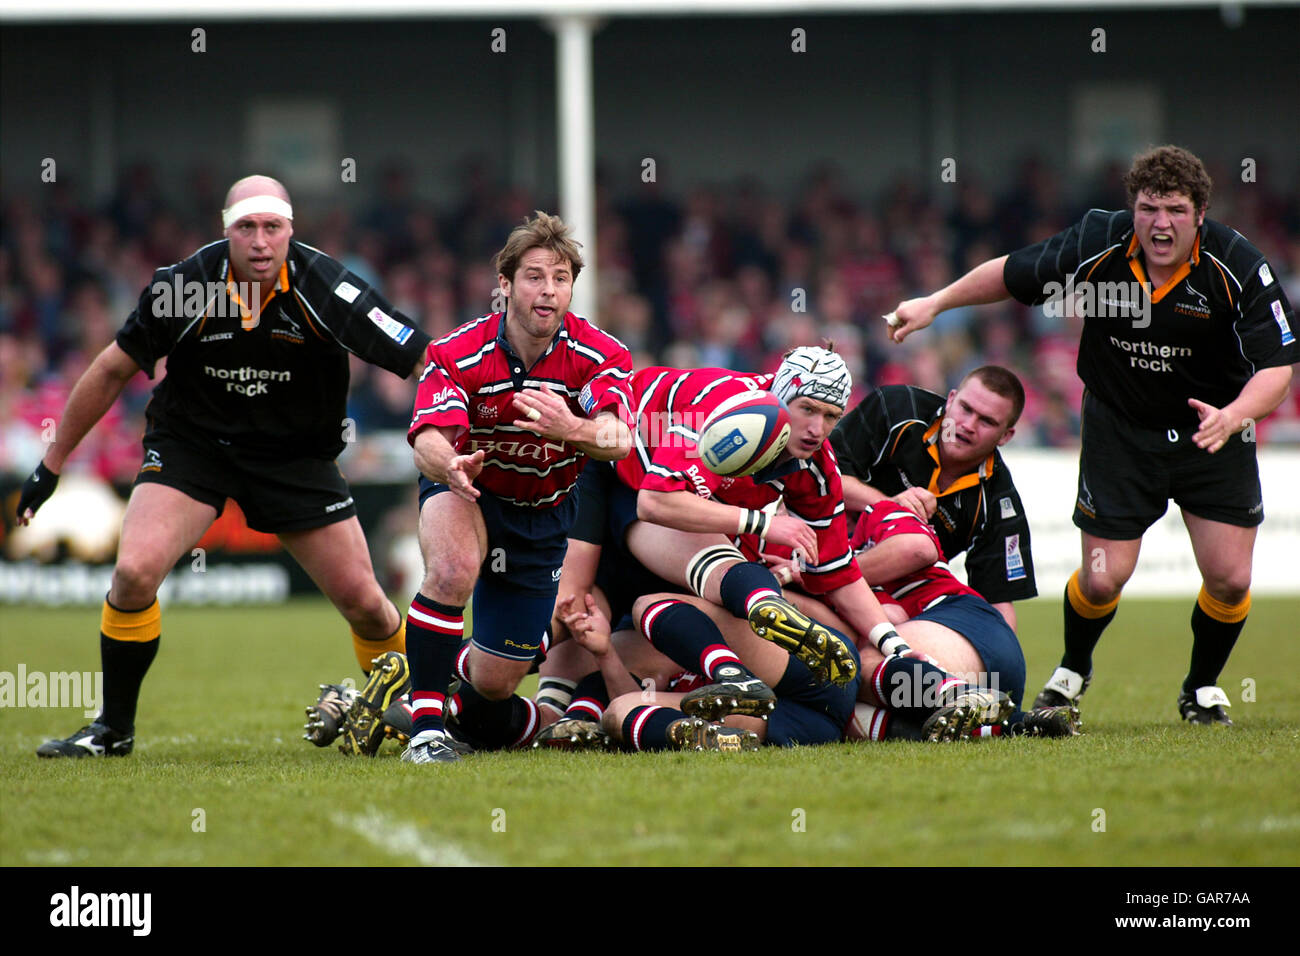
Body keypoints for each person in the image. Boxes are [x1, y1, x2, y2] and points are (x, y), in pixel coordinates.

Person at [16, 175, 432, 758]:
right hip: (194, 448)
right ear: (226, 230)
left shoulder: (329, 288)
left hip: (294, 459)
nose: (260, 242)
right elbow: (111, 369)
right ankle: (112, 730)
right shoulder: (183, 287)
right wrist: (51, 464)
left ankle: (423, 715)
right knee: (133, 574)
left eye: (272, 228)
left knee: (366, 603)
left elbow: (424, 360)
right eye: (246, 228)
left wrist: (458, 435)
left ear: (291, 231)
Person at [887, 145, 1298, 725]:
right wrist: (936, 302)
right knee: (1103, 580)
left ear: (1200, 213)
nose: (1161, 223)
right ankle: (1072, 671)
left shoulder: (1237, 264)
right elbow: (1010, 272)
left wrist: (1233, 416)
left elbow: (1278, 367)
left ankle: (1201, 688)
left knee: (1230, 580)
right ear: (1133, 208)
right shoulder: (1096, 242)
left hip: (1213, 431)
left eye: (1176, 210)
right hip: (1119, 432)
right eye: (1149, 208)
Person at [400, 211, 633, 765]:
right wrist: (449, 465)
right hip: (471, 492)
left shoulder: (602, 354)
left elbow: (619, 439)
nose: (548, 290)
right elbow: (428, 438)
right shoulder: (458, 352)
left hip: (544, 514)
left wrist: (570, 428)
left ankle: (440, 678)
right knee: (452, 568)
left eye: (560, 277)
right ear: (504, 286)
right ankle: (426, 730)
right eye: (534, 276)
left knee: (497, 682)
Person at [829, 365, 1036, 631]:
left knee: (898, 620)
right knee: (894, 609)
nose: (968, 425)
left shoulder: (999, 501)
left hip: (900, 597)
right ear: (950, 400)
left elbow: (997, 601)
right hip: (829, 547)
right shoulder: (896, 408)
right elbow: (822, 478)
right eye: (966, 409)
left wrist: (1001, 657)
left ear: (1006, 436)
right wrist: (891, 506)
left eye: (987, 421)